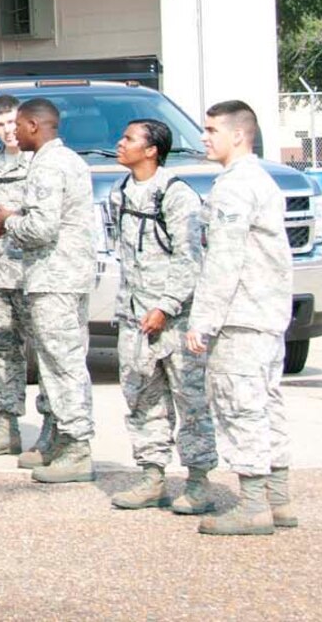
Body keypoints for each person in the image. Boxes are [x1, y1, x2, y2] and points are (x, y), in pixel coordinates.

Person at [186, 100, 295, 535]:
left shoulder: (234, 185)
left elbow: (224, 261)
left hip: (242, 314)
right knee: (268, 404)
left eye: (211, 130)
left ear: (238, 135)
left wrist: (203, 320)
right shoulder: (261, 178)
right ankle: (279, 499)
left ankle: (253, 506)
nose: (204, 138)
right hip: (266, 312)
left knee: (240, 406)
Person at [0, 97, 97, 484]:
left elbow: (41, 228)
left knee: (62, 366)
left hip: (55, 280)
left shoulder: (49, 165)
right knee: (58, 363)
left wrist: (9, 220)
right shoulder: (67, 161)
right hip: (60, 277)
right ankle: (64, 443)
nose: (13, 132)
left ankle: (77, 447)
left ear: (34, 125)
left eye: (19, 125)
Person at [108, 118, 217, 512]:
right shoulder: (119, 194)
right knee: (141, 400)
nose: (120, 144)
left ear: (152, 149)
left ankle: (200, 480)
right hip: (135, 317)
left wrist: (165, 306)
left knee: (190, 402)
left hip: (173, 321)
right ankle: (151, 476)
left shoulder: (175, 195)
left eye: (129, 138)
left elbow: (190, 259)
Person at [0, 95, 52, 459]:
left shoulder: (43, 163)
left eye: (11, 123)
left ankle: (51, 428)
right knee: (0, 350)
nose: (7, 131)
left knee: (47, 353)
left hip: (36, 274)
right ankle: (7, 427)